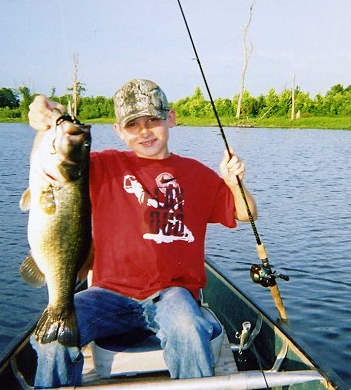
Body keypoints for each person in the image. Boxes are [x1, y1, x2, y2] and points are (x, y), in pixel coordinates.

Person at [27, 78, 258, 387]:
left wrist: (234, 182)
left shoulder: (196, 173)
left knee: (188, 327)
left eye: (153, 119)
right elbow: (54, 160)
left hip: (172, 294)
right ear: (119, 131)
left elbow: (246, 213)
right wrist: (44, 116)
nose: (145, 130)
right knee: (51, 337)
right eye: (133, 124)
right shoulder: (104, 165)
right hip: (109, 295)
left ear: (171, 119)